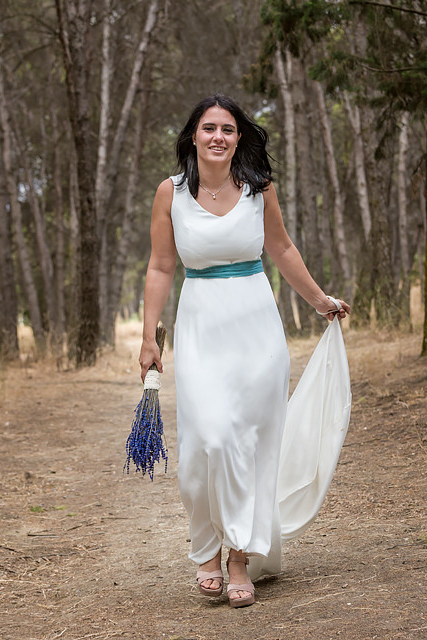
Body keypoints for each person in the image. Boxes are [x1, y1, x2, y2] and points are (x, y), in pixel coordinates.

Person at [138, 94, 350, 608]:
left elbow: (281, 249)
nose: (218, 137)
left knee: (251, 444)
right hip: (202, 324)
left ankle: (237, 557)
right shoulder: (171, 193)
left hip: (257, 326)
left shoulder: (259, 188)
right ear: (193, 135)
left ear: (238, 138)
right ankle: (205, 548)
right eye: (209, 128)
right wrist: (149, 336)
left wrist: (320, 301)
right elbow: (161, 267)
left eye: (228, 130)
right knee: (207, 440)